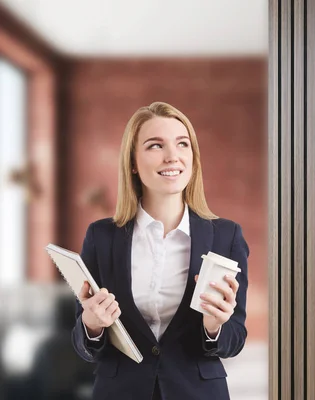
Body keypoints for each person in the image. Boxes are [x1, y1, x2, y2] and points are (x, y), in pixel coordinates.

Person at [71, 101, 249, 400]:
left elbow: (235, 338)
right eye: (155, 146)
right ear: (132, 162)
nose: (173, 156)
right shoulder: (101, 236)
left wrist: (215, 327)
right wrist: (92, 325)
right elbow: (82, 343)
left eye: (183, 144)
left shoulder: (225, 235)